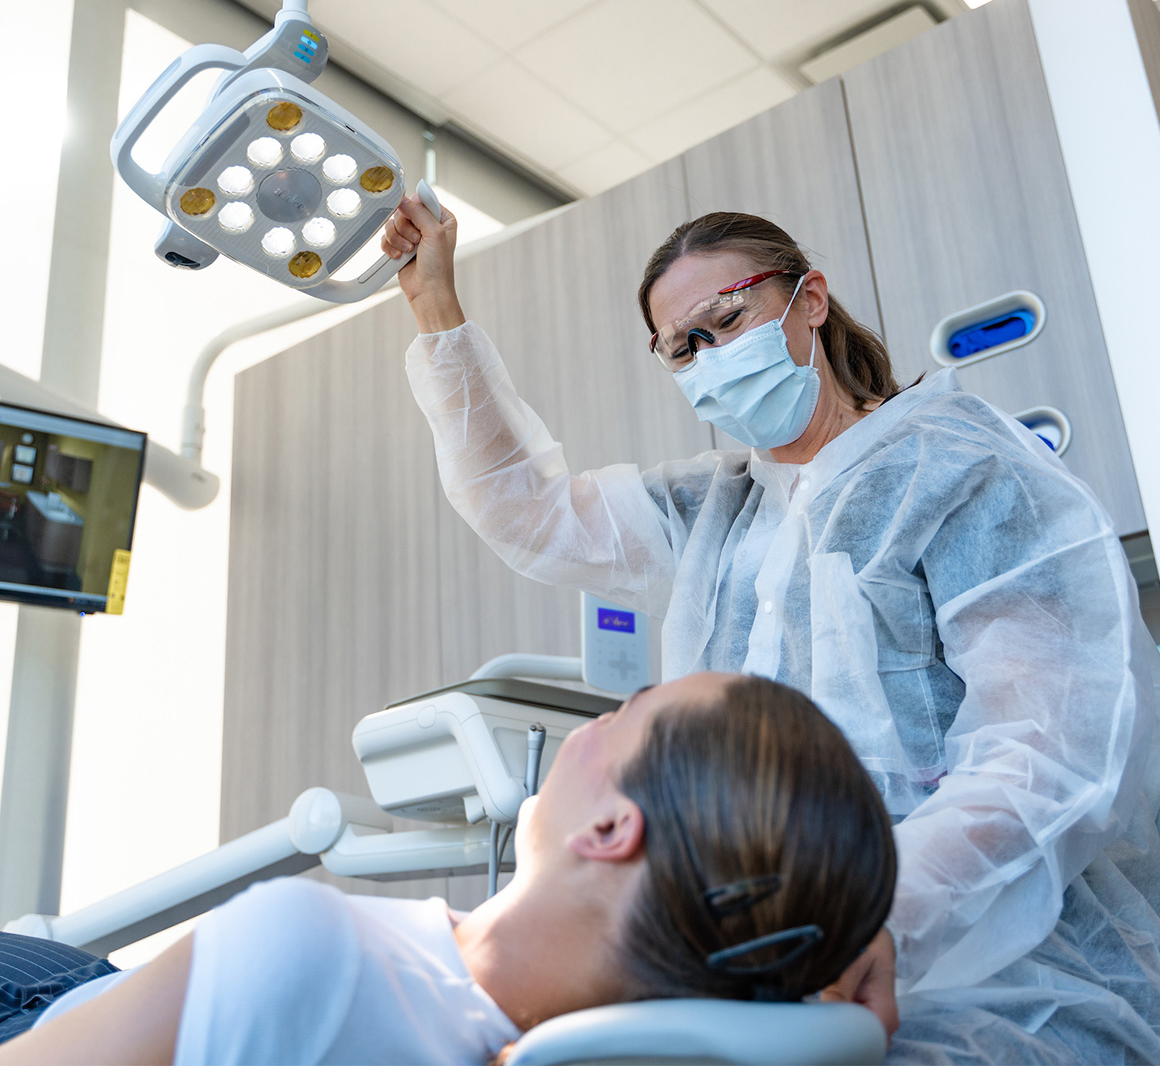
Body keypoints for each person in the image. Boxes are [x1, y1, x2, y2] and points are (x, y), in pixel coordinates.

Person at [383, 197, 1160, 1064]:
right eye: (684, 347)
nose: (712, 357)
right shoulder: (721, 506)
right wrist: (435, 307)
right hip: (774, 966)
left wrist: (882, 918)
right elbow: (527, 512)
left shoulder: (961, 470)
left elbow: (1047, 749)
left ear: (811, 300)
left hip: (995, 963)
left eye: (727, 319)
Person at [0, 673, 896, 1064]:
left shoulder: (306, 951)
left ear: (615, 826)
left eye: (625, 714)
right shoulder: (675, 1016)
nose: (585, 732)